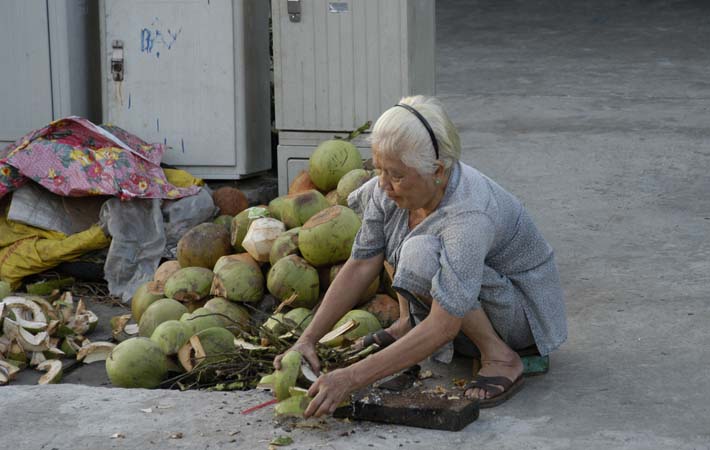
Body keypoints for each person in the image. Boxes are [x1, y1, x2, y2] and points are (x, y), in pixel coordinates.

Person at [274, 95, 567, 417]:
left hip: (519, 314)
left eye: (396, 175)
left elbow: (443, 326)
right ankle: (406, 325)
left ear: (437, 171)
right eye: (378, 169)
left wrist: (352, 378)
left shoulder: (468, 214)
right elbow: (361, 263)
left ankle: (500, 356)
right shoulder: (388, 187)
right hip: (470, 301)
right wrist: (308, 339)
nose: (383, 184)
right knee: (403, 234)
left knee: (422, 250)